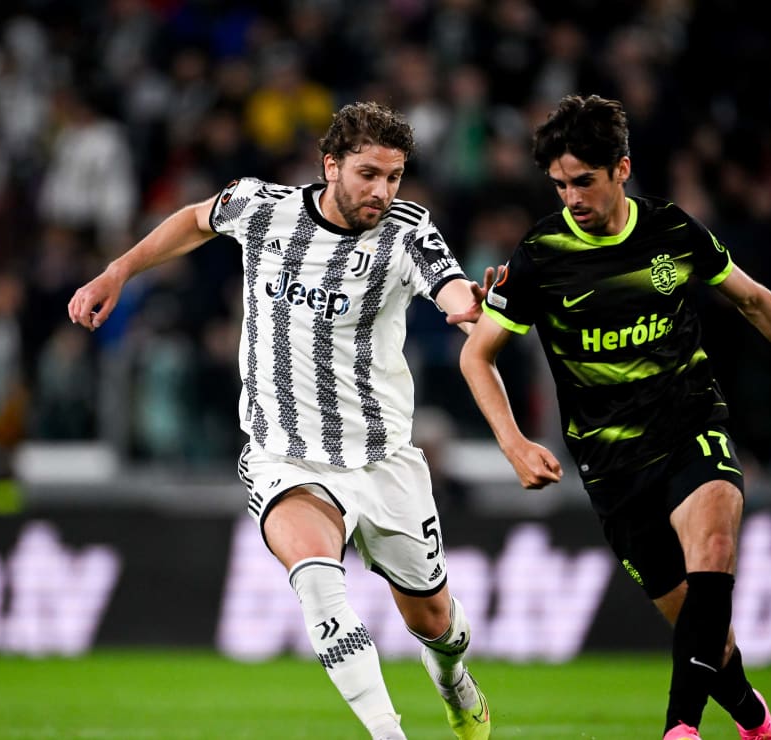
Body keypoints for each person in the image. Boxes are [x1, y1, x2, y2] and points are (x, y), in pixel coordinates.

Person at [69, 102, 492, 740]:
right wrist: (119, 270)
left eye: (395, 176)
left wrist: (470, 308)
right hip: (284, 454)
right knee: (320, 585)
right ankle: (388, 734)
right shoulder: (260, 207)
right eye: (368, 174)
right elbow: (192, 220)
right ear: (331, 166)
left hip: (382, 458)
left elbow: (450, 284)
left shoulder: (407, 230)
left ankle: (453, 677)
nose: (382, 190)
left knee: (435, 618)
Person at [459, 94, 771, 740]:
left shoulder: (671, 232)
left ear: (621, 169)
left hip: (689, 426)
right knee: (705, 629)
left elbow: (754, 302)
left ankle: (680, 729)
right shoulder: (541, 256)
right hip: (613, 466)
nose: (571, 197)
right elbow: (478, 356)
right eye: (559, 185)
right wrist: (512, 442)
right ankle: (754, 719)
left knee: (717, 546)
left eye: (583, 181)